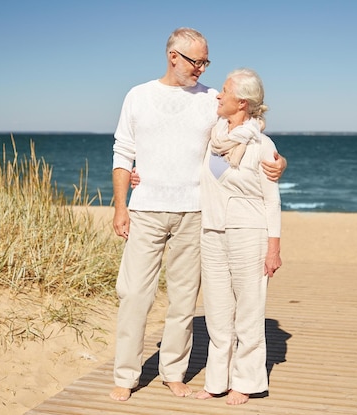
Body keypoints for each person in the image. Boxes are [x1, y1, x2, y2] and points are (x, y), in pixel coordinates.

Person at [110, 27, 286, 402]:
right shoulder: (138, 96)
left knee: (184, 300)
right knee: (134, 296)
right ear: (173, 56)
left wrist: (278, 162)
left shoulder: (211, 99)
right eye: (197, 61)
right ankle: (125, 375)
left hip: (196, 213)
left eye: (207, 61)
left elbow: (247, 128)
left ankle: (173, 372)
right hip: (145, 210)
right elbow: (123, 153)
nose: (203, 69)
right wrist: (121, 205)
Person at [195, 68, 281, 405]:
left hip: (250, 234)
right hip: (212, 232)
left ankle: (245, 382)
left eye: (225, 90)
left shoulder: (262, 144)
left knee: (248, 312)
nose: (218, 94)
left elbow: (272, 200)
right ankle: (216, 381)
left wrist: (273, 248)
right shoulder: (213, 134)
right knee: (217, 313)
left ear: (241, 101)